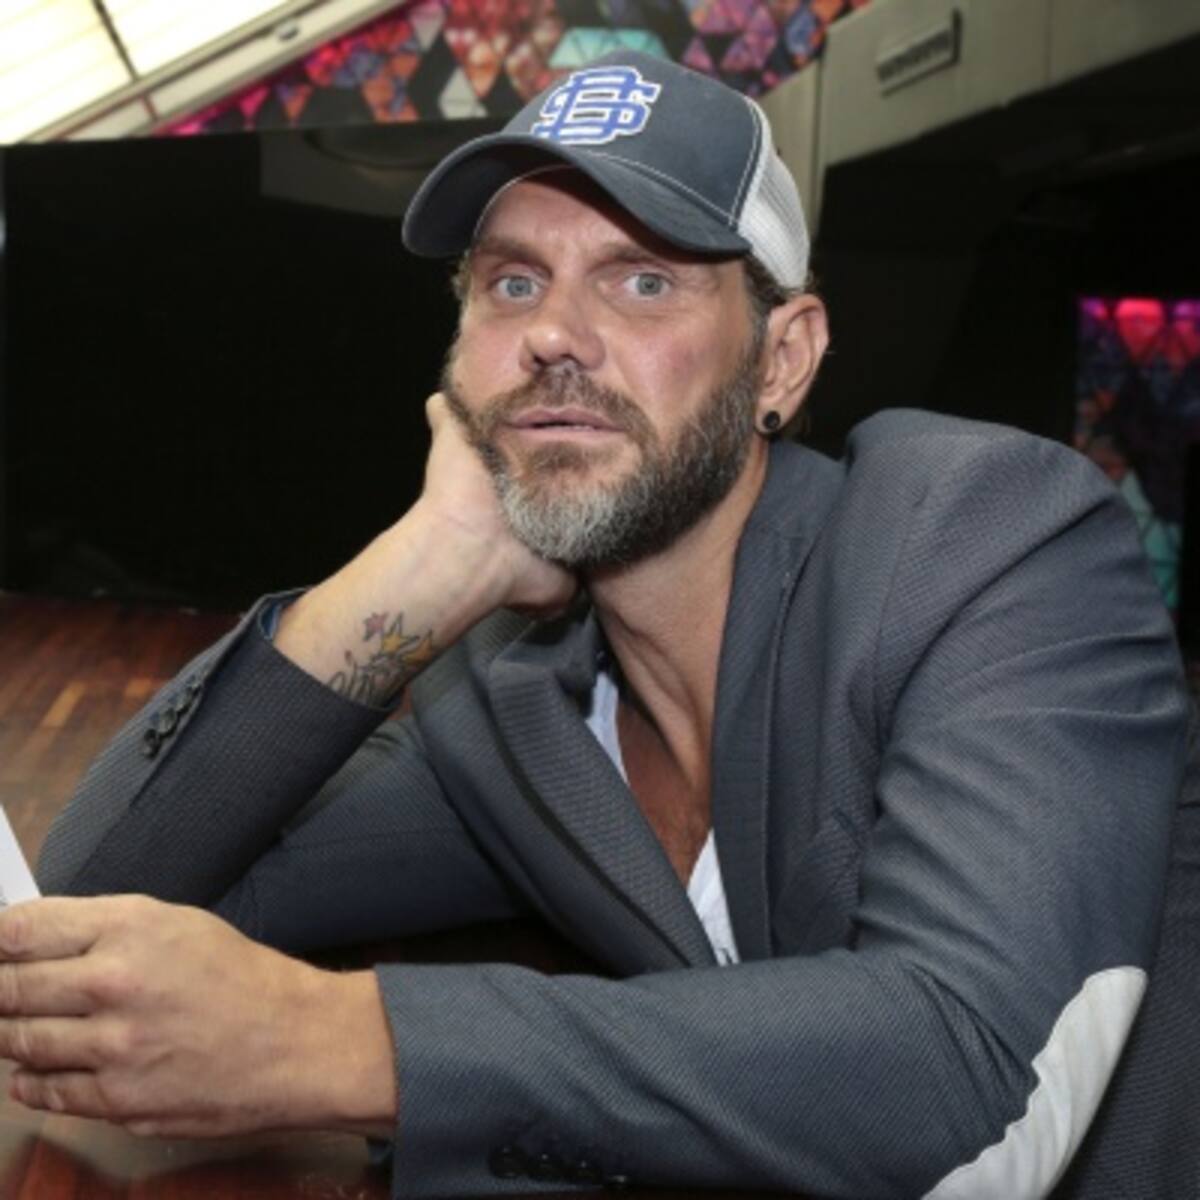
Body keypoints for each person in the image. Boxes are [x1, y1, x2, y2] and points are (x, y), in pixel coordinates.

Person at [0, 50, 1192, 1199]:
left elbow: (980, 1099)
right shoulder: (509, 709)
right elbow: (85, 908)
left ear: (782, 360)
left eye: (643, 279)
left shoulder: (982, 542)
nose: (554, 334)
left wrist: (343, 1040)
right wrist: (430, 559)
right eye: (513, 282)